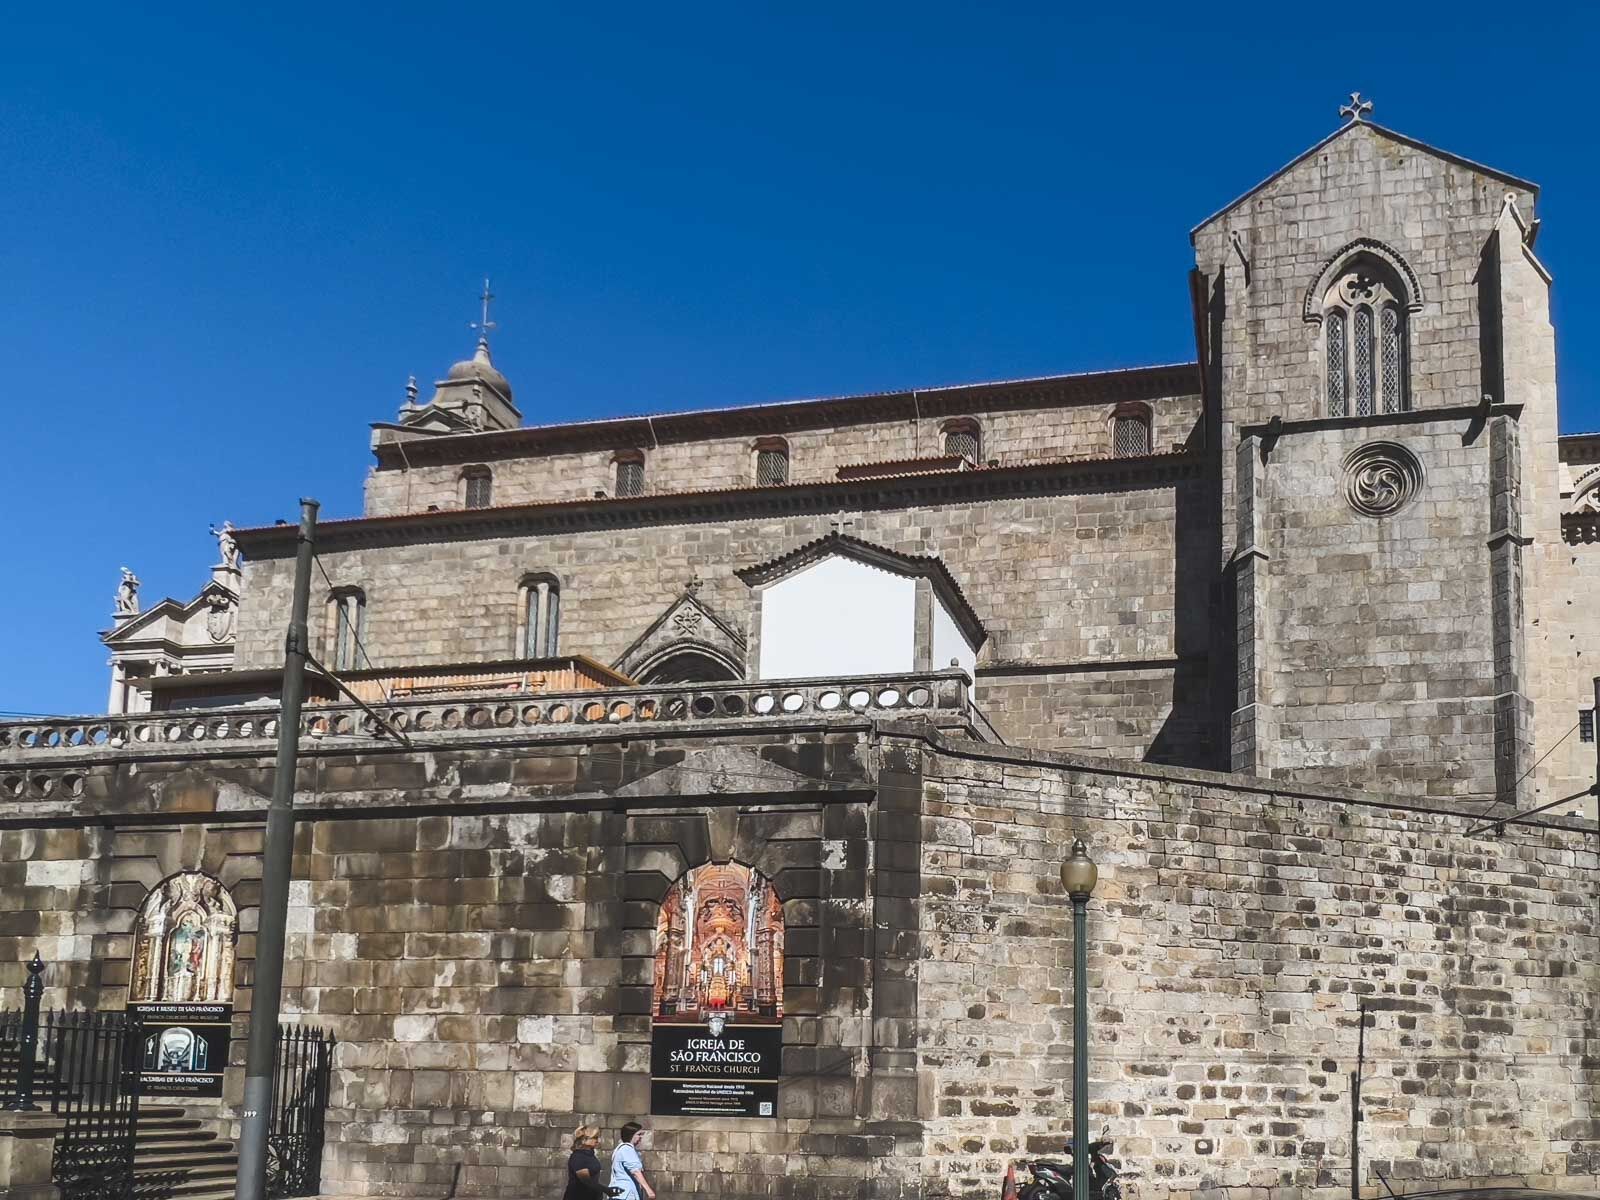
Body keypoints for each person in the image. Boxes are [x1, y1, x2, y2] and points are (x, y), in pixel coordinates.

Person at [608, 1121, 655, 1200]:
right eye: (639, 1134)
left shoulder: (620, 1148)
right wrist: (649, 1190)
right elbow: (635, 1172)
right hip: (626, 1194)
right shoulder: (627, 1149)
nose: (641, 1137)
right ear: (631, 1135)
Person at [563, 1126, 604, 1200]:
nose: (597, 1140)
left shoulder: (590, 1155)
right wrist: (606, 1190)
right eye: (595, 1137)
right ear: (584, 1140)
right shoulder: (578, 1156)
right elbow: (585, 1180)